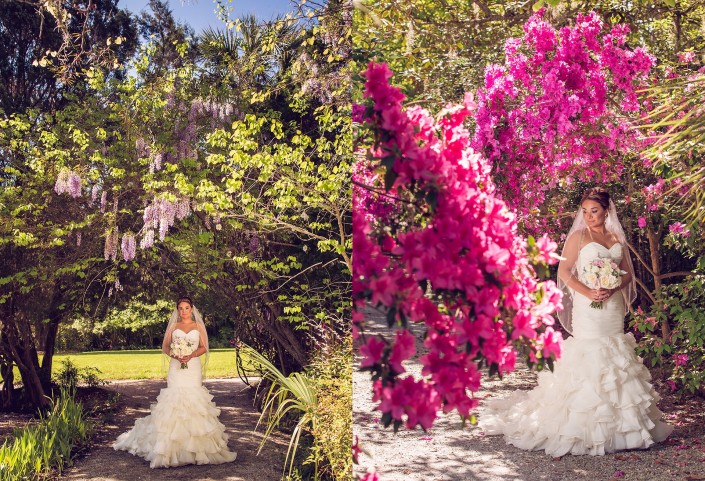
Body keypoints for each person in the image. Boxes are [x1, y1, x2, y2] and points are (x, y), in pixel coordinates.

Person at [478, 187, 673, 456]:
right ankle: (585, 426)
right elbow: (564, 271)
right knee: (590, 350)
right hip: (588, 305)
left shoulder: (616, 235)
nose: (589, 216)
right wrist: (590, 291)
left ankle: (625, 427)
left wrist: (614, 287)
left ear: (607, 210)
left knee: (615, 352)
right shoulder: (579, 236)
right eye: (585, 212)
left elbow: (628, 273)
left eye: (594, 211)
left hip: (612, 304)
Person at [113, 296, 238, 468]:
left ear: (191, 309)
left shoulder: (198, 326)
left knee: (194, 400)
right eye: (180, 308)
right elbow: (165, 346)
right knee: (174, 401)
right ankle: (170, 448)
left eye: (187, 308)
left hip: (192, 367)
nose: (184, 311)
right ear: (177, 310)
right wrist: (176, 355)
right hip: (176, 366)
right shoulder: (173, 326)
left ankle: (197, 449)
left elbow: (203, 347)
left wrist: (191, 354)